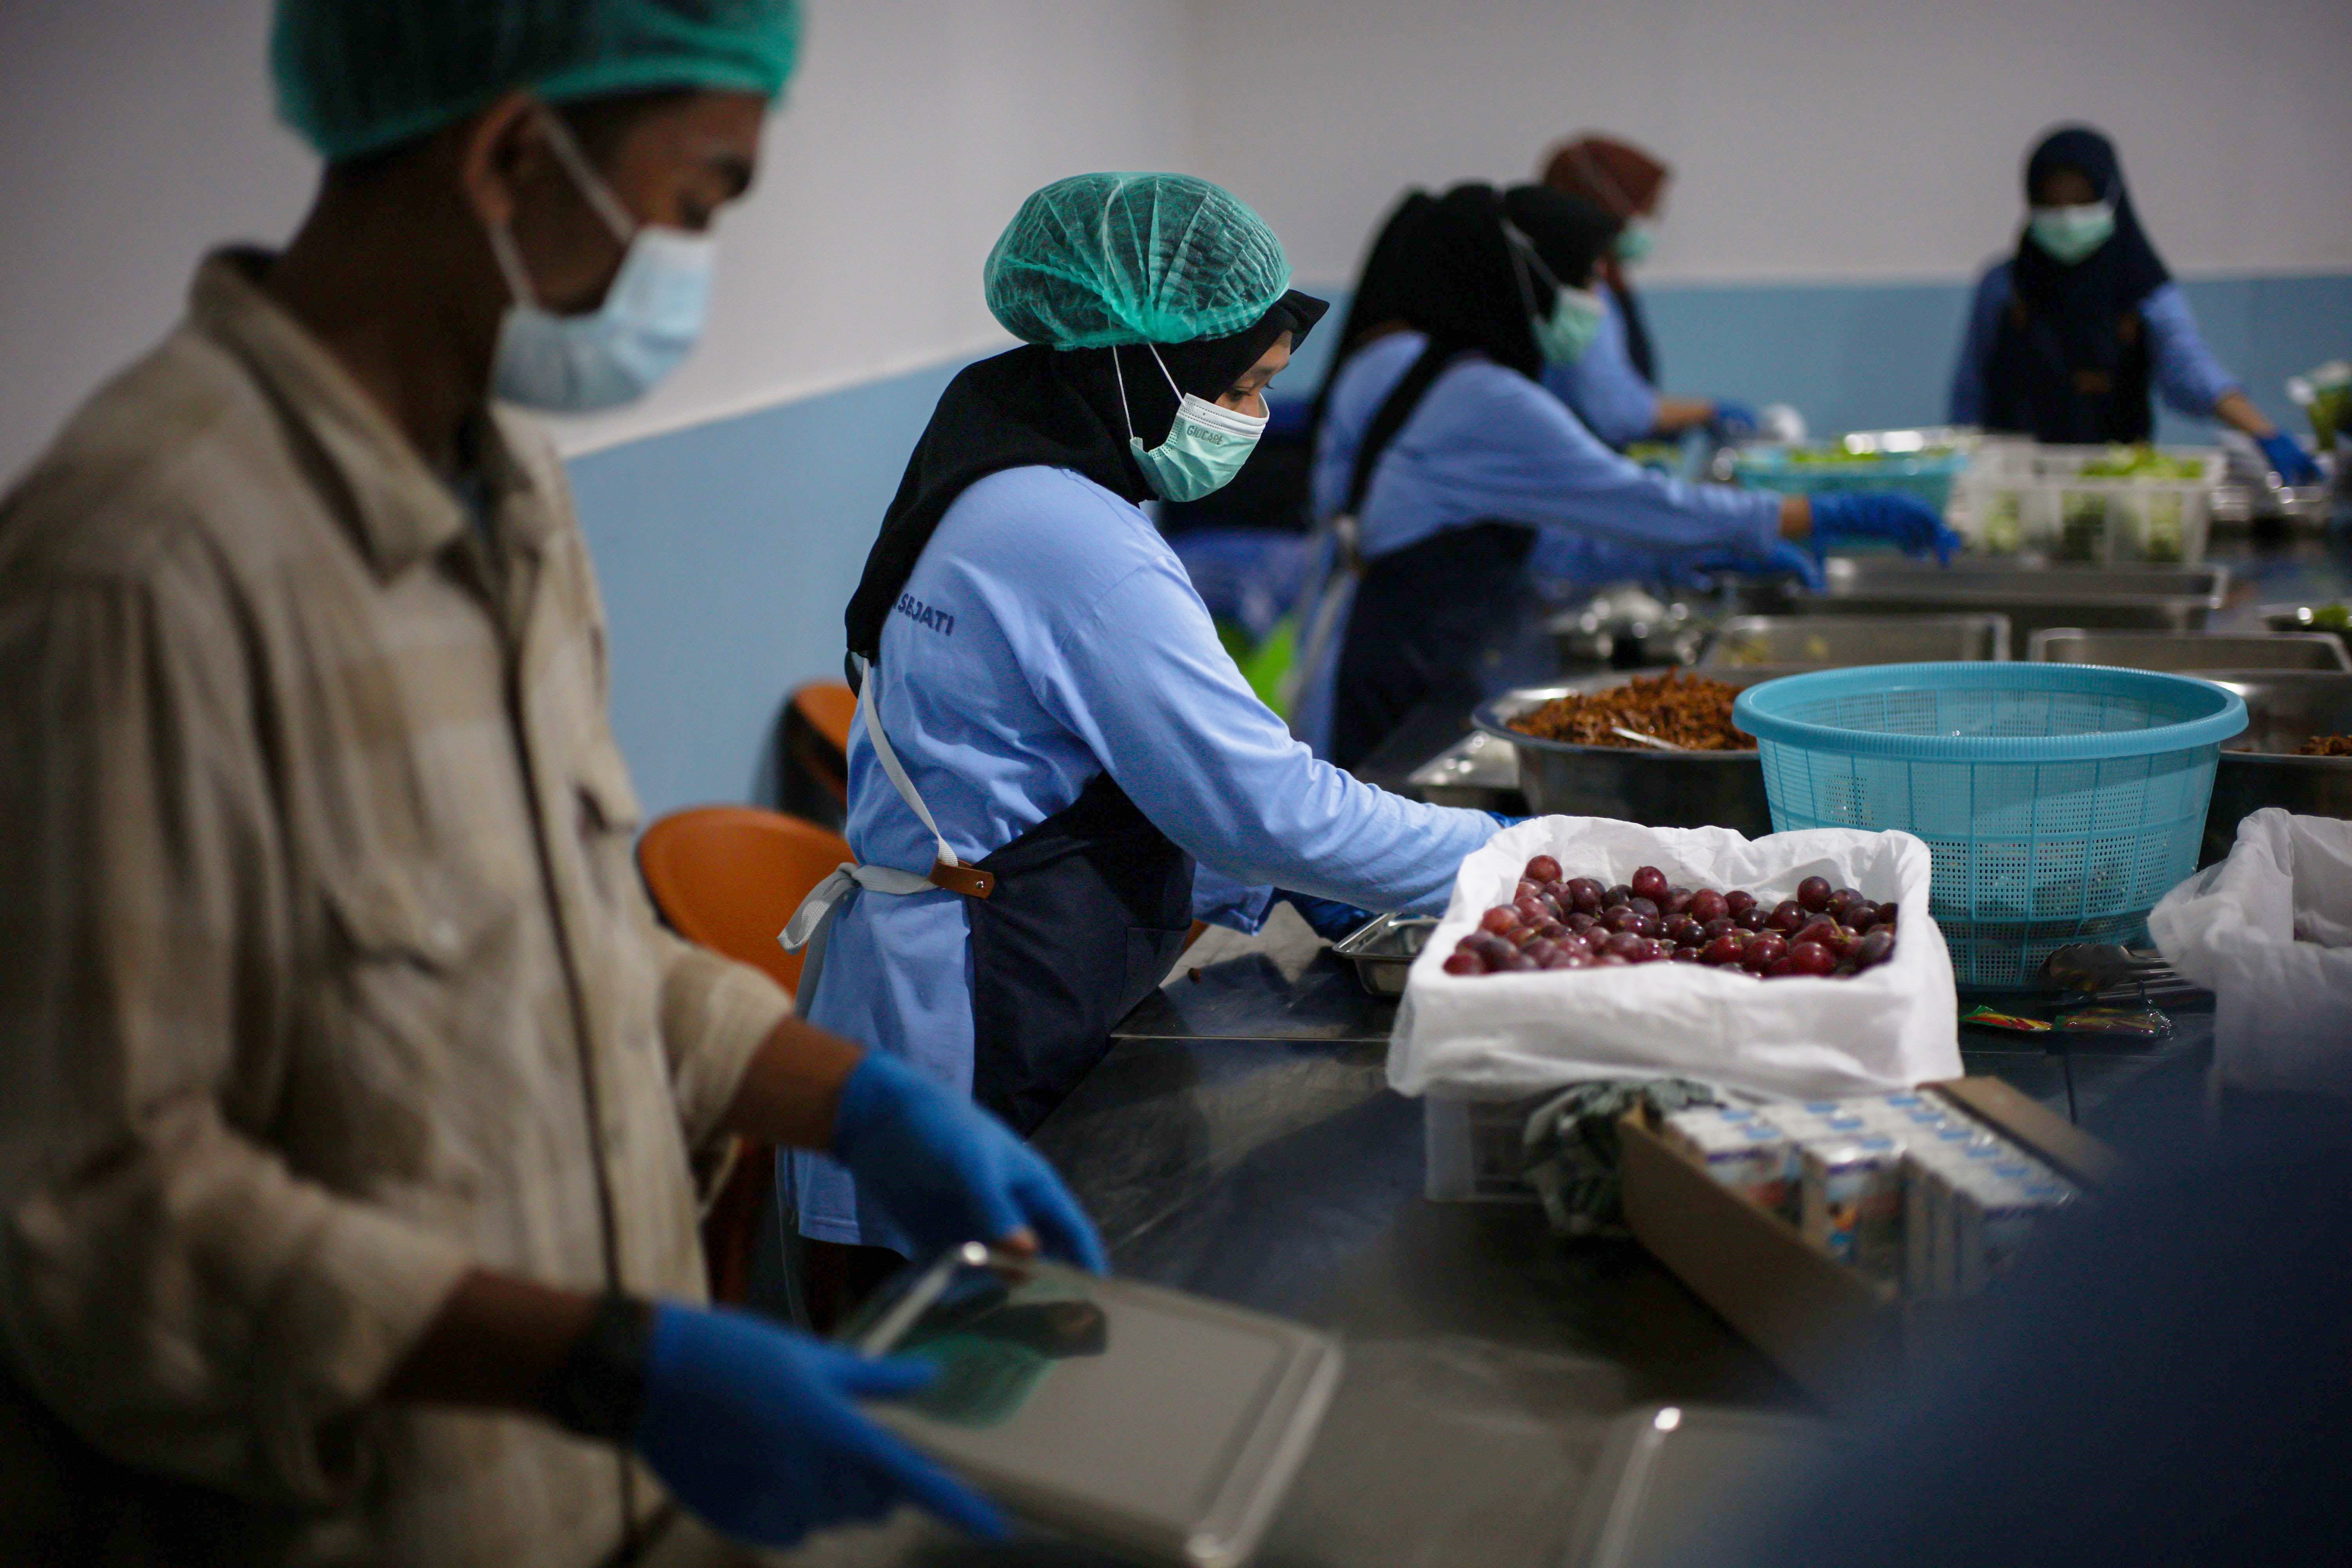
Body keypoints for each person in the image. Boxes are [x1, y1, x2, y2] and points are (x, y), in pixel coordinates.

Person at [0, 3, 1102, 1562]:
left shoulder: (507, 491)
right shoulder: (145, 566)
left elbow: (563, 952)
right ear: (516, 152)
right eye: (700, 196)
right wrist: (605, 1361)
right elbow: (100, 1225)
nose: (696, 267)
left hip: (615, 1508)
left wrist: (855, 1103)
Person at [780, 172, 1503, 1288]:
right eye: (1247, 384)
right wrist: (1520, 862)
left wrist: (1259, 877)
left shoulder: (1001, 456)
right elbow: (1263, 805)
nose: (1253, 418)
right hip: (972, 1036)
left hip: (968, 987)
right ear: (1145, 360)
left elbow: (1048, 772)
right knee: (976, 1408)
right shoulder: (1068, 534)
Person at [1296, 182, 1952, 768]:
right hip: (1415, 669)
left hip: (1413, 643)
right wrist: (1813, 514)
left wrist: (1686, 563)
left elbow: (1529, 540)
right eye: (1585, 281)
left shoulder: (1427, 368)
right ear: (1528, 282)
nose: (1594, 305)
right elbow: (1634, 499)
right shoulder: (1486, 398)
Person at [1949, 125, 2321, 484]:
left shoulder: (2141, 285)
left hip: (2115, 484)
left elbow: (2191, 370)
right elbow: (1970, 395)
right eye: (2052, 202)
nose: (2066, 216)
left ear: (2112, 198)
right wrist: (1963, 472)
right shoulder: (2004, 287)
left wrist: (2264, 433)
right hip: (2016, 484)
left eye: (2081, 201)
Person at [1537, 134, 1755, 449]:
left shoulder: (1606, 284)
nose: (1648, 224)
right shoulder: (1575, 298)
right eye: (1646, 210)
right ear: (1605, 209)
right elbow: (1615, 410)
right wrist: (1706, 412)